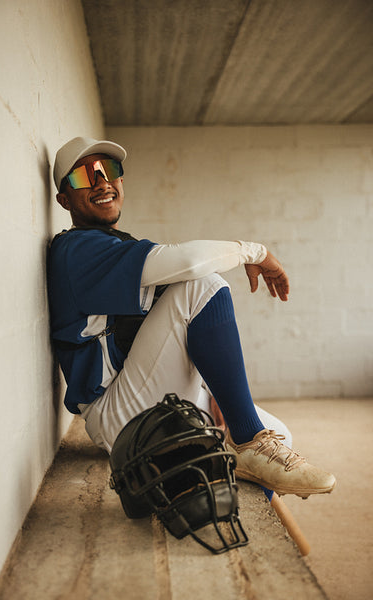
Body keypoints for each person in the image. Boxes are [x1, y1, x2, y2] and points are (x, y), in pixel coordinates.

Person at [48, 136, 336, 501]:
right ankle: (245, 441)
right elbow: (189, 266)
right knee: (202, 284)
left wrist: (212, 392)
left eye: (111, 170)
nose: (102, 181)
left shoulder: (115, 243)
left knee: (280, 436)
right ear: (64, 200)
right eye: (84, 176)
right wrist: (255, 252)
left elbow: (174, 333)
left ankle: (240, 483)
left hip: (146, 393)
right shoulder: (76, 250)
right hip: (116, 411)